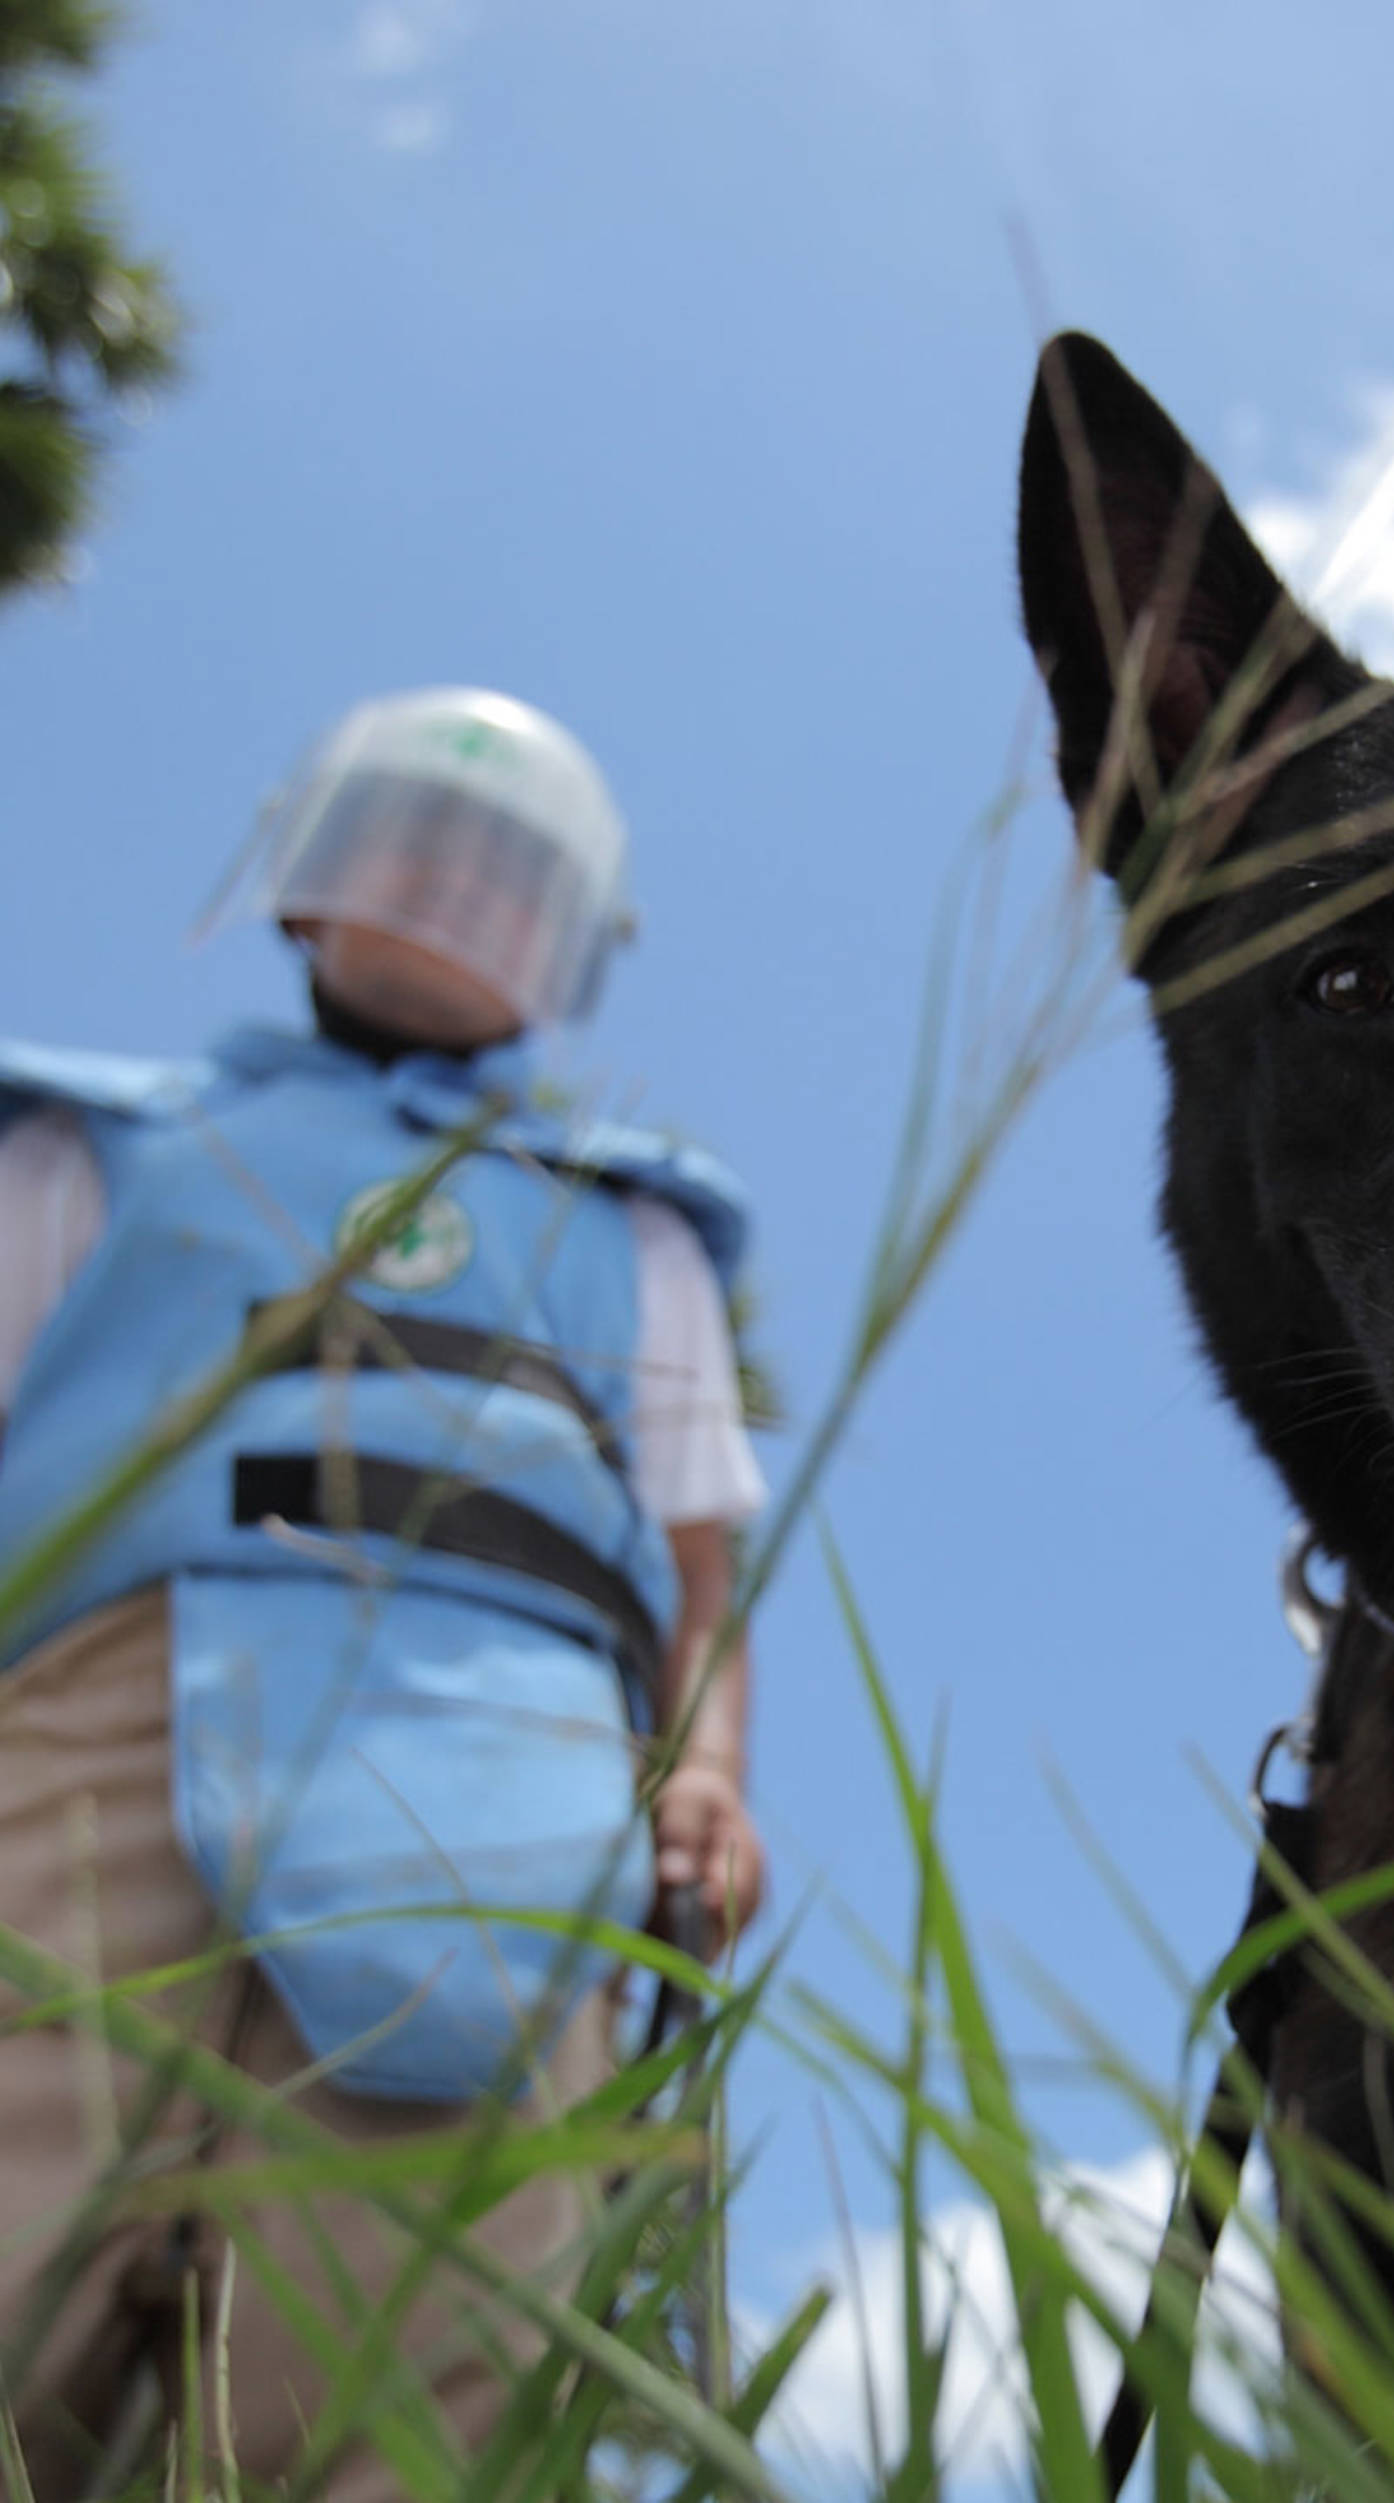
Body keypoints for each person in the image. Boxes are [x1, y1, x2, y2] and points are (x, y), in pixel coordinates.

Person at [0, 687, 768, 2496]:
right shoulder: (87, 1146)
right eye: (411, 840)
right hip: (91, 1730)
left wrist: (709, 1766)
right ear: (299, 873)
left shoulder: (629, 1231)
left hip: (509, 1806)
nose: (449, 889)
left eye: (504, 870)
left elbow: (695, 1565)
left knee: (408, 2387)